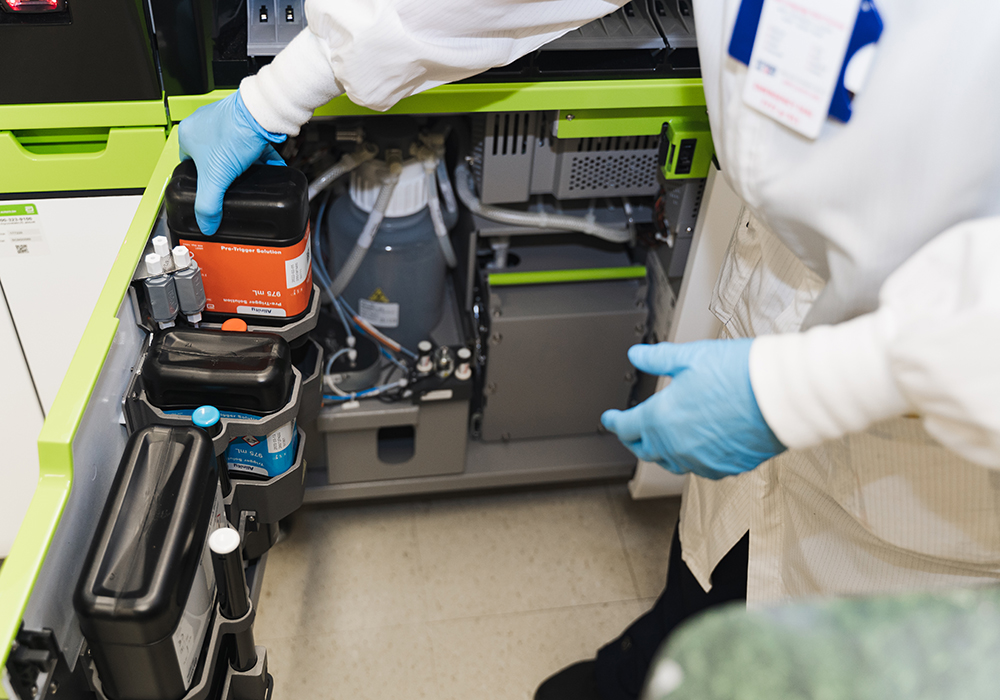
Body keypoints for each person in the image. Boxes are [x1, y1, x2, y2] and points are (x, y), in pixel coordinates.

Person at [179, 1, 1000, 699]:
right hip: (782, 295)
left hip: (944, 444)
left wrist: (812, 392)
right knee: (729, 547)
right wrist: (279, 92)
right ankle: (676, 638)